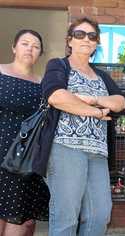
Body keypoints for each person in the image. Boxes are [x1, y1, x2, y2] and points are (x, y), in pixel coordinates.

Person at [41, 17, 125, 236]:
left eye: (92, 36)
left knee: (100, 215)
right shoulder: (58, 66)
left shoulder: (102, 75)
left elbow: (120, 102)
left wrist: (89, 99)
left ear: (97, 43)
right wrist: (96, 111)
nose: (86, 39)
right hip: (65, 149)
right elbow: (57, 97)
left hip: (98, 153)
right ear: (69, 40)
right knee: (66, 216)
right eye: (79, 34)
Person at [0, 30, 49, 236]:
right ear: (14, 47)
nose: (30, 48)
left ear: (40, 53)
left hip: (23, 159)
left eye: (36, 46)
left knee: (20, 219)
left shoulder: (44, 85)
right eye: (25, 43)